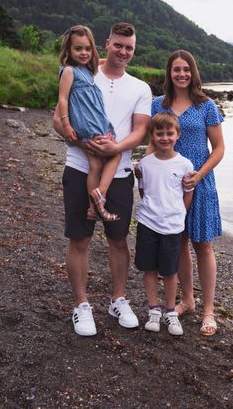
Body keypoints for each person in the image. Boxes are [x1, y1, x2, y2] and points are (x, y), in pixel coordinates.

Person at [54, 22, 151, 336]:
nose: (123, 51)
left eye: (129, 47)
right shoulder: (81, 71)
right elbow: (58, 116)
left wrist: (116, 147)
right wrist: (80, 141)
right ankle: (81, 305)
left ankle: (118, 299)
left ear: (133, 50)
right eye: (118, 45)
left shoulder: (140, 87)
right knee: (79, 239)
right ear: (106, 43)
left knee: (118, 239)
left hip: (120, 172)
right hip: (78, 167)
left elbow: (140, 131)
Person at [151, 50, 224, 336]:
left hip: (200, 182)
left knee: (202, 245)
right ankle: (187, 301)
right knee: (179, 242)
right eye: (176, 69)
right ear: (169, 72)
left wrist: (199, 174)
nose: (181, 74)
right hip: (169, 186)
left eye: (186, 69)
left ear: (193, 72)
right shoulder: (159, 104)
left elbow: (218, 148)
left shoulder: (206, 105)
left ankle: (208, 309)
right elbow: (154, 144)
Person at [135, 113, 194, 336]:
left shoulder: (185, 163)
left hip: (173, 225)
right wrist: (152, 209)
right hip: (148, 223)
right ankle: (153, 310)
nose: (165, 137)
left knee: (170, 270)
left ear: (177, 135)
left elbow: (188, 193)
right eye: (159, 133)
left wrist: (179, 213)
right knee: (149, 268)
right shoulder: (144, 164)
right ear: (152, 135)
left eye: (170, 133)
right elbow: (143, 190)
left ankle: (170, 311)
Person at [58, 25, 120, 222]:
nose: (84, 53)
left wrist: (113, 60)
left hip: (94, 123)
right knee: (115, 153)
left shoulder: (86, 70)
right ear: (68, 50)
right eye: (78, 49)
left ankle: (95, 203)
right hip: (87, 125)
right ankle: (98, 198)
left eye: (88, 48)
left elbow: (100, 61)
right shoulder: (69, 71)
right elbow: (63, 100)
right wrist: (66, 125)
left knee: (95, 164)